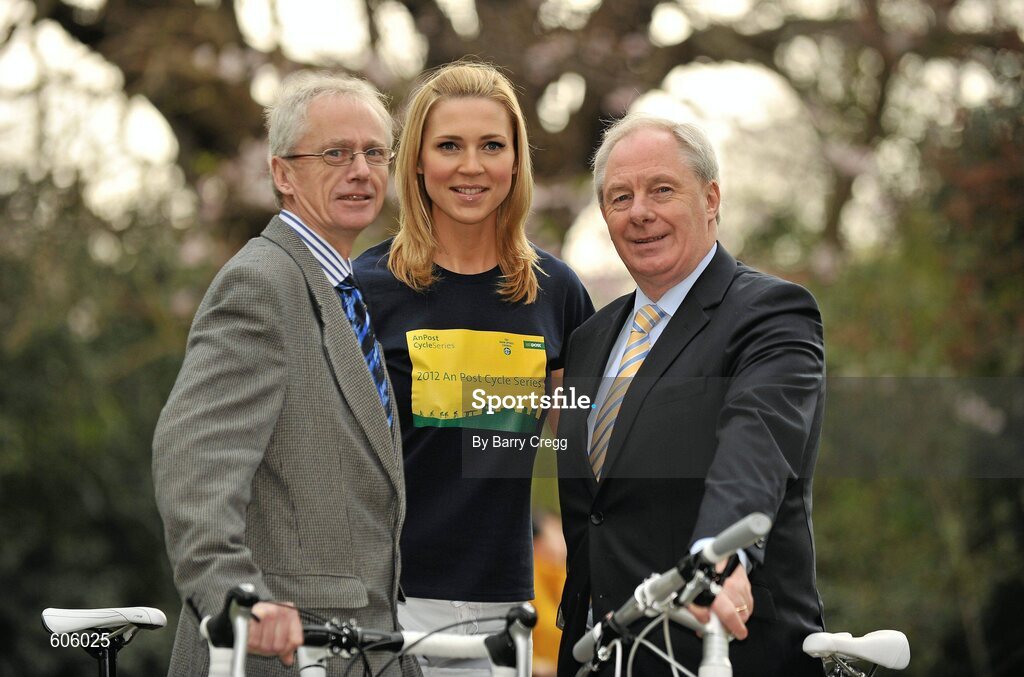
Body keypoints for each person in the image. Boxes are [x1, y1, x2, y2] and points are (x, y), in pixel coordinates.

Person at [153, 71, 417, 677]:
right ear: (282, 174)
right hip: (273, 657)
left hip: (351, 649)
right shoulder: (262, 285)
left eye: (375, 152)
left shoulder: (339, 291)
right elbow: (191, 456)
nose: (361, 170)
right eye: (335, 153)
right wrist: (234, 598)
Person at [555, 113, 826, 677]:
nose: (640, 212)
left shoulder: (770, 314)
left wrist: (721, 552)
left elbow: (756, 444)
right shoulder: (588, 342)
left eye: (661, 190)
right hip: (601, 657)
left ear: (710, 198)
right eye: (619, 197)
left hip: (724, 648)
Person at [353, 61, 594, 675]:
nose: (471, 166)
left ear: (516, 162)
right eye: (449, 146)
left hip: (506, 603)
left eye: (492, 145)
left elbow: (586, 440)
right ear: (416, 162)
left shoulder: (556, 292)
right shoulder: (363, 290)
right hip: (386, 601)